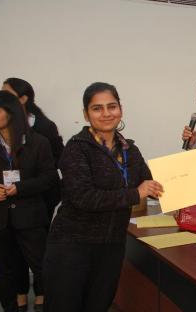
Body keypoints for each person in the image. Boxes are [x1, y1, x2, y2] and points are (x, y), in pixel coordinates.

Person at [43, 82, 164, 312]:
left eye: (112, 106)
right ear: (86, 114)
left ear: (121, 109)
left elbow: (153, 186)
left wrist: (193, 180)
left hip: (111, 247)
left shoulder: (130, 150)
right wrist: (135, 193)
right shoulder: (77, 148)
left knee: (98, 306)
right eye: (97, 108)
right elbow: (84, 198)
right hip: (73, 246)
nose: (107, 113)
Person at [0, 90, 58, 312]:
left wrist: (18, 188)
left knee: (43, 268)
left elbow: (49, 178)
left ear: (10, 113)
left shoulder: (38, 142)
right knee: (4, 272)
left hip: (30, 217)